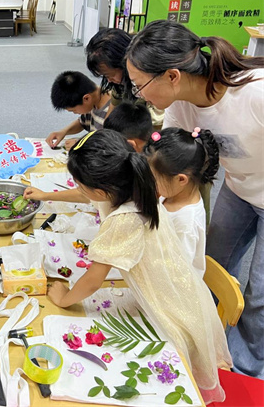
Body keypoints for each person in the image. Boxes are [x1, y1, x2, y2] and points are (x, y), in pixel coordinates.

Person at [47, 129, 231, 403]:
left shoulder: (126, 218)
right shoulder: (138, 184)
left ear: (99, 190)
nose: (76, 187)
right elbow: (90, 197)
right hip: (184, 297)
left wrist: (63, 299)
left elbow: (93, 280)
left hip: (172, 313)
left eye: (77, 183)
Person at [125, 20, 264, 379]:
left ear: (172, 75)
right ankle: (207, 342)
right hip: (238, 189)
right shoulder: (181, 105)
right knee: (211, 266)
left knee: (260, 292)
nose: (139, 95)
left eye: (140, 85)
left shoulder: (255, 95)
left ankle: (244, 371)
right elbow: (167, 161)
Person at [144, 127, 220, 277]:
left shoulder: (186, 224)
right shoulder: (171, 193)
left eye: (154, 178)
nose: (149, 182)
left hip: (172, 288)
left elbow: (177, 274)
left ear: (180, 179)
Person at [85, 28, 164, 129]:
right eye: (105, 76)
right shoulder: (119, 84)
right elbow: (110, 115)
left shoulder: (151, 81)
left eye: (110, 75)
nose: (109, 80)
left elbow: (155, 128)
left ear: (125, 63)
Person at [45, 71, 111, 150]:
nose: (74, 113)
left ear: (86, 98)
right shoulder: (93, 100)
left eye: (74, 110)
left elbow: (111, 145)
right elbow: (82, 122)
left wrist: (82, 144)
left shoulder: (112, 111)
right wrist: (64, 132)